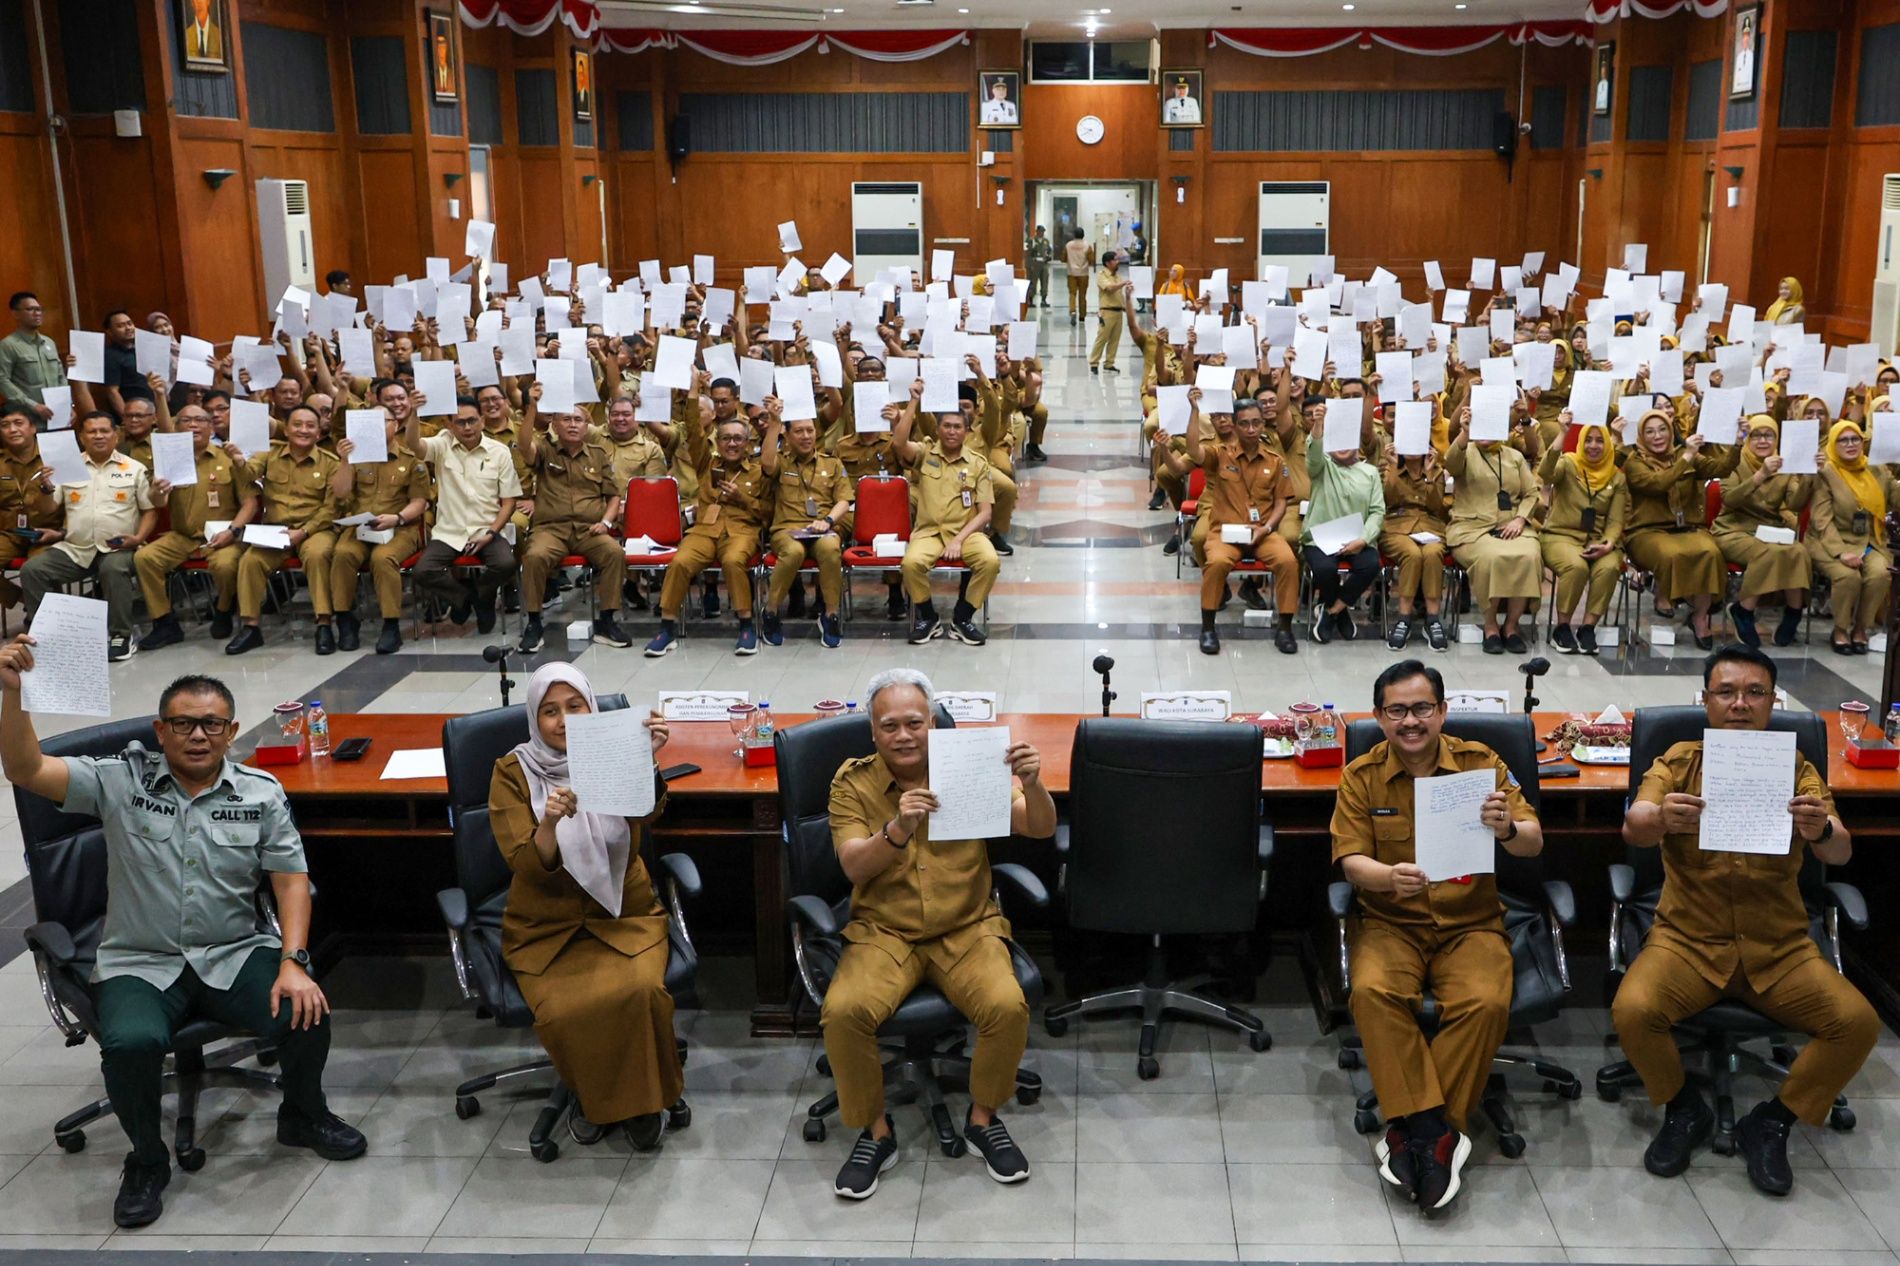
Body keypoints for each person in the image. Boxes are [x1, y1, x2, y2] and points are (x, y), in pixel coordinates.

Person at [0, 657, 366, 1227]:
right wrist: (15, 693)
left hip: (232, 951)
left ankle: (302, 1114)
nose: (199, 735)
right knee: (130, 1043)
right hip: (139, 960)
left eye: (213, 724)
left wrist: (294, 960)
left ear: (232, 732)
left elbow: (290, 880)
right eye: (184, 723)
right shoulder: (118, 781)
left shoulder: (260, 792)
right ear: (160, 731)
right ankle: (146, 1160)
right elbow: (24, 768)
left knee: (305, 1007)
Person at [1615, 644, 1878, 1197]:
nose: (1740, 704)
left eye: (1754, 693)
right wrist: (1662, 817)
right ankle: (1685, 1109)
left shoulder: (1797, 768)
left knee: (1857, 1023)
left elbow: (1842, 853)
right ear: (1706, 700)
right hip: (1687, 940)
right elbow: (1634, 827)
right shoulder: (1679, 760)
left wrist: (1821, 831)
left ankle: (1773, 1121)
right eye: (1727, 692)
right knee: (1634, 1011)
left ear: (1772, 701)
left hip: (1779, 946)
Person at [822, 668, 1054, 1198]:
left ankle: (982, 1118)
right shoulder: (851, 782)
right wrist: (897, 829)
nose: (903, 736)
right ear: (872, 733)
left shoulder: (968, 768)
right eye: (889, 726)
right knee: (844, 1011)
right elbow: (854, 867)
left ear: (933, 724)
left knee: (1005, 1004)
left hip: (965, 927)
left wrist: (1033, 783)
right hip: (885, 932)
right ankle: (875, 1132)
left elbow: (1038, 826)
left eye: (914, 723)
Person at [1331, 660, 1541, 1213]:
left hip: (1471, 923)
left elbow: (1533, 842)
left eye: (1422, 708)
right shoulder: (1361, 775)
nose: (1411, 721)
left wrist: (1507, 829)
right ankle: (1437, 1131)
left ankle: (1413, 1133)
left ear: (1442, 711)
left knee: (1486, 1000)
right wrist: (1386, 877)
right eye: (1396, 710)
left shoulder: (1481, 765)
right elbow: (1351, 862)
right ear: (1378, 716)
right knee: (1373, 993)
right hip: (1390, 922)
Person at [488, 663, 686, 1148]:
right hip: (547, 926)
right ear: (534, 718)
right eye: (550, 711)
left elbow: (645, 813)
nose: (562, 720)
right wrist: (549, 824)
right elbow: (525, 864)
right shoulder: (512, 771)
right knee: (565, 1009)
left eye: (574, 707)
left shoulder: (611, 752)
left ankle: (633, 1102)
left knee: (643, 991)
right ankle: (600, 1098)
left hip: (624, 915)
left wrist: (646, 758)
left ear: (590, 708)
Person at [21, 411, 153, 662]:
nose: (99, 436)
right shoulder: (66, 467)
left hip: (119, 547)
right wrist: (45, 489)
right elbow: (49, 508)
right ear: (82, 437)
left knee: (113, 569)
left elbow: (149, 512)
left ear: (116, 435)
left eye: (105, 430)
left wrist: (138, 539)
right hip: (76, 548)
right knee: (33, 570)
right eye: (92, 431)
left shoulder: (134, 468)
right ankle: (51, 636)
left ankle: (121, 635)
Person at [645, 398, 770, 657]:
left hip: (741, 531)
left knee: (734, 560)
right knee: (679, 562)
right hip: (704, 530)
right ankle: (666, 628)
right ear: (718, 441)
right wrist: (692, 392)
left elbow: (768, 512)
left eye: (738, 439)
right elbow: (692, 429)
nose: (732, 443)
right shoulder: (706, 463)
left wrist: (741, 499)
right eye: (726, 438)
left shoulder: (758, 472)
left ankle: (746, 626)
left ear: (747, 443)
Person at [1182, 393, 1299, 656]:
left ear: (1262, 425)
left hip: (1262, 532)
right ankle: (1208, 628)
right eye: (1244, 423)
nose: (1251, 429)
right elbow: (1192, 451)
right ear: (1234, 426)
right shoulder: (1220, 455)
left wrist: (1266, 527)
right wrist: (1193, 411)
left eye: (1256, 423)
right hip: (1225, 532)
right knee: (1217, 564)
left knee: (1288, 561)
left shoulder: (1274, 460)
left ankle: (1285, 628)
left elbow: (1281, 502)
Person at [135, 403, 255, 651]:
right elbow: (158, 503)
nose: (192, 425)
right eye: (185, 421)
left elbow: (250, 503)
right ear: (176, 428)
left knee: (225, 565)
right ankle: (164, 622)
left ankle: (223, 607)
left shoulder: (228, 458)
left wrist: (232, 532)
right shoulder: (169, 461)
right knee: (145, 558)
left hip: (223, 535)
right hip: (183, 536)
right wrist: (158, 490)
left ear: (211, 426)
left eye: (199, 420)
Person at [222, 404, 340, 656]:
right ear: (286, 429)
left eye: (310, 426)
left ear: (319, 433)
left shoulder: (331, 463)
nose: (303, 430)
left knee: (318, 555)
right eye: (297, 424)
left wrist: (304, 532)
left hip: (315, 529)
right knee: (250, 560)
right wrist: (239, 461)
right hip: (276, 530)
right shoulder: (269, 454)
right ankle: (251, 627)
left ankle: (324, 624)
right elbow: (248, 474)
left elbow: (331, 509)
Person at [889, 384, 999, 647]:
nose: (951, 431)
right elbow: (898, 442)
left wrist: (959, 540)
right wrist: (914, 401)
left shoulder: (977, 463)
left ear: (967, 430)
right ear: (937, 429)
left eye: (957, 427)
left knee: (990, 561)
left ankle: (963, 618)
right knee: (911, 563)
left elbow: (985, 513)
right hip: (929, 532)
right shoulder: (925, 453)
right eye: (946, 426)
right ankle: (928, 618)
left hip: (966, 532)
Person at [515, 406, 631, 653]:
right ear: (555, 424)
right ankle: (534, 623)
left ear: (586, 425)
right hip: (551, 529)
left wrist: (607, 523)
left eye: (578, 420)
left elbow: (612, 496)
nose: (572, 424)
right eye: (565, 419)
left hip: (589, 529)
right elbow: (524, 444)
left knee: (615, 553)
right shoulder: (545, 450)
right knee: (534, 557)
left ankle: (607, 621)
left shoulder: (598, 455)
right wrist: (532, 408)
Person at [1621, 408, 1736, 651]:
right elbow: (1659, 484)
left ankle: (1701, 616)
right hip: (1647, 531)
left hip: (1687, 527)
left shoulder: (1685, 454)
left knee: (1711, 552)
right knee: (1672, 555)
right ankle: (1668, 596)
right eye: (1650, 431)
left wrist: (1737, 443)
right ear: (1641, 435)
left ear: (1671, 430)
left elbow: (1722, 469)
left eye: (1662, 429)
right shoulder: (1635, 463)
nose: (1657, 436)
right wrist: (1687, 458)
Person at [407, 396, 520, 631]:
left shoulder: (499, 452)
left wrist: (490, 533)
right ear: (449, 424)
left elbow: (509, 502)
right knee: (422, 571)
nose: (467, 428)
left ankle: (484, 597)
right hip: (450, 531)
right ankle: (464, 598)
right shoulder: (442, 445)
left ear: (482, 420)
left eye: (472, 421)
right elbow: (414, 445)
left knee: (506, 564)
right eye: (460, 422)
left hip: (485, 528)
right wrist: (414, 413)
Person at [328, 406, 428, 655]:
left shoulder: (410, 459)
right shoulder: (357, 456)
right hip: (362, 526)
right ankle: (344, 619)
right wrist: (344, 460)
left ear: (395, 425)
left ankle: (391, 624)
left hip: (400, 526)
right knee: (342, 553)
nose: (376, 427)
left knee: (383, 558)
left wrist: (397, 518)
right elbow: (340, 493)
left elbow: (420, 501)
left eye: (382, 422)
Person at [1444, 409, 1541, 655]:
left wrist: (1520, 519)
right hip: (1471, 527)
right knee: (1493, 558)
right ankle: (1490, 626)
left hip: (1512, 524)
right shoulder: (1466, 451)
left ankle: (1511, 625)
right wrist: (1464, 433)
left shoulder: (1514, 456)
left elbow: (1531, 493)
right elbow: (1451, 463)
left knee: (1529, 556)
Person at [1712, 415, 1811, 649]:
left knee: (1798, 552)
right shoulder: (1735, 462)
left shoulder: (1784, 465)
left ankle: (1793, 612)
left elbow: (1795, 504)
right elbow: (1730, 499)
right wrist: (1761, 475)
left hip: (1770, 529)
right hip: (1733, 528)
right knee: (1767, 552)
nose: (1763, 440)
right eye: (1756, 435)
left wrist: (1807, 477)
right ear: (1748, 438)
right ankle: (1744, 610)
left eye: (1769, 435)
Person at [1538, 420, 1628, 655]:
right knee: (1576, 566)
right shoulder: (1568, 463)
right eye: (1588, 439)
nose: (1593, 446)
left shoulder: (1616, 477)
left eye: (1600, 440)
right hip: (1561, 536)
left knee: (1608, 567)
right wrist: (1562, 434)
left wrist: (1608, 542)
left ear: (1608, 444)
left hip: (1599, 540)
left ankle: (1588, 628)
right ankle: (1563, 627)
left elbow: (1616, 519)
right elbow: (1546, 473)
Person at [761, 412, 850, 649]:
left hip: (822, 529)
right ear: (787, 435)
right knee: (793, 552)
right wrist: (774, 423)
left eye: (810, 430)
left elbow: (844, 500)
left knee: (831, 548)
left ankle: (830, 615)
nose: (806, 436)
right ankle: (770, 612)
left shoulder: (832, 463)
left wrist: (829, 520)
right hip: (787, 529)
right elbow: (767, 463)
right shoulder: (781, 462)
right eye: (799, 431)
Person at [1806, 419, 1894, 655]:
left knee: (1881, 573)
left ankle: (1861, 628)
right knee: (1848, 576)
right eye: (1843, 440)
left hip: (1869, 541)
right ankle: (1841, 629)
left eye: (1855, 438)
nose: (1850, 444)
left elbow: (1894, 500)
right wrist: (1840, 552)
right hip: (1829, 541)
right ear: (1834, 444)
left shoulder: (1876, 469)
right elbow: (1821, 520)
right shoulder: (1826, 472)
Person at [1303, 409, 1384, 645]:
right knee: (1325, 570)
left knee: (1370, 565)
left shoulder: (1370, 472)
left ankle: (1331, 611)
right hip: (1321, 538)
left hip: (1357, 539)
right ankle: (1341, 610)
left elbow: (1378, 511)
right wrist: (1319, 424)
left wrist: (1364, 539)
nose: (1342, 446)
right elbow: (1314, 451)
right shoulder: (1322, 467)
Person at [1378, 445, 1450, 652]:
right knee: (1411, 554)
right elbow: (1388, 499)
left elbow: (1436, 505)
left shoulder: (1435, 470)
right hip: (1396, 526)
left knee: (1433, 552)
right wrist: (1393, 467)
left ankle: (1433, 618)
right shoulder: (1387, 468)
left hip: (1430, 526)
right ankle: (1404, 617)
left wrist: (1428, 473)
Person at [0, 291, 67, 422]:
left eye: (39, 309)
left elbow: (60, 376)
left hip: (55, 417)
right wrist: (33, 406)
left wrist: (67, 405)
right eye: (30, 309)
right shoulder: (8, 345)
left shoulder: (49, 343)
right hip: (27, 418)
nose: (37, 313)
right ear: (15, 314)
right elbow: (2, 380)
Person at [1089, 252, 1132, 375]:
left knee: (1115, 339)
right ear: (1108, 263)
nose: (1118, 262)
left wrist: (1125, 307)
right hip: (1107, 312)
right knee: (1102, 338)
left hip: (1118, 312)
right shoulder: (1102, 275)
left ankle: (1109, 363)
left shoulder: (1117, 277)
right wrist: (1124, 283)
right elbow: (1109, 288)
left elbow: (1119, 294)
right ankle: (1094, 362)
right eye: (1115, 260)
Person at [1063, 229, 1093, 327]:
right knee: (1082, 295)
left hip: (1071, 273)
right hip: (1083, 274)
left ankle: (1072, 311)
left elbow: (1063, 258)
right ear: (1083, 235)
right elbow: (1091, 260)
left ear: (1074, 235)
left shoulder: (1068, 245)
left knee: (1072, 294)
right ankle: (1082, 316)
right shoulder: (1087, 246)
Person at [1025, 225, 1053, 308]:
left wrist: (1049, 257)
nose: (1042, 233)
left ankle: (1043, 300)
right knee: (1033, 282)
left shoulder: (1046, 241)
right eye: (1040, 231)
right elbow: (1028, 254)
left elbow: (1050, 251)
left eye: (1043, 231)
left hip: (1044, 264)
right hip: (1034, 264)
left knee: (1044, 281)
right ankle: (1030, 300)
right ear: (1037, 231)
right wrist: (1030, 265)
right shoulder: (1031, 240)